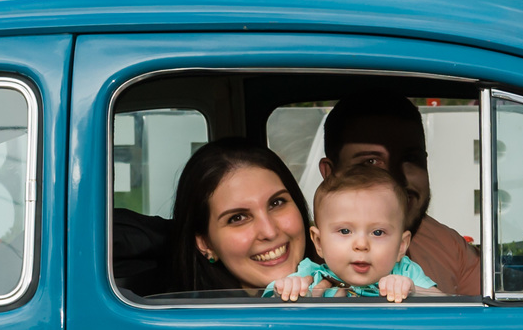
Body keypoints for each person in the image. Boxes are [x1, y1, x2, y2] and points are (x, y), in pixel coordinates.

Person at [320, 91, 481, 296]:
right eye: (370, 162)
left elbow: (494, 322)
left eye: (411, 159)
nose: (396, 178)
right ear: (330, 173)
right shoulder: (304, 265)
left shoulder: (449, 246)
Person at [169, 137, 318, 294]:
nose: (270, 232)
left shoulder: (339, 287)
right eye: (238, 218)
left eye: (276, 203)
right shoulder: (190, 318)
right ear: (206, 244)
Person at [268, 165, 434, 302]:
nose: (361, 245)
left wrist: (412, 291)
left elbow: (451, 306)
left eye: (377, 232)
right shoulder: (310, 277)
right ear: (319, 242)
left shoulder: (405, 273)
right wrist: (287, 289)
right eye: (345, 231)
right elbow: (267, 303)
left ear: (401, 246)